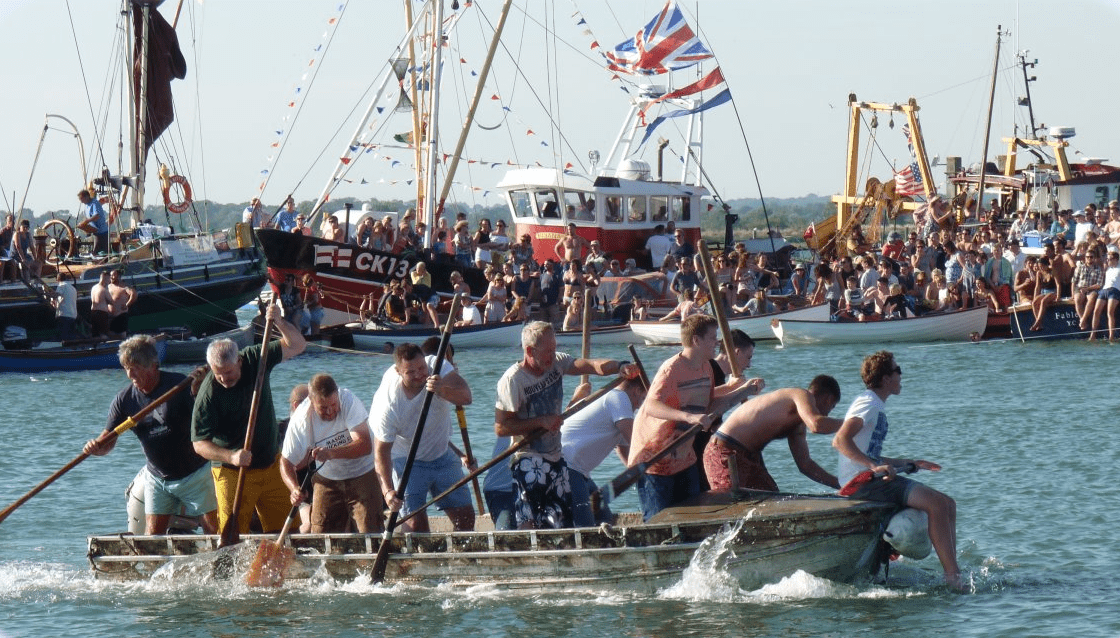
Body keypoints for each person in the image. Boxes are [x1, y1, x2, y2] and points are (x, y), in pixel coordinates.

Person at [833, 350, 963, 590]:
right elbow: (840, 440)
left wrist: (910, 463)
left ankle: (953, 569)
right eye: (898, 371)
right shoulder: (868, 403)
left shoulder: (873, 404)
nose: (901, 376)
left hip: (871, 477)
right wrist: (873, 467)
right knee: (936, 505)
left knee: (949, 504)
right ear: (885, 379)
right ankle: (953, 577)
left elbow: (870, 453)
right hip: (862, 482)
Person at [493, 321, 638, 529]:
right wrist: (541, 421)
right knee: (529, 519)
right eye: (547, 351)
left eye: (554, 349)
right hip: (528, 458)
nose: (552, 356)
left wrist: (620, 366)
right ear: (529, 351)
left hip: (556, 457)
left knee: (560, 521)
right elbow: (501, 427)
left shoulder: (557, 363)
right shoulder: (513, 380)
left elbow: (590, 365)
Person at [627, 314, 759, 521]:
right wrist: (688, 416)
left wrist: (743, 390)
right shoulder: (672, 369)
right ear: (696, 341)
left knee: (693, 519)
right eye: (712, 338)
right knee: (659, 522)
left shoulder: (705, 366)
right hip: (655, 459)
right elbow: (651, 405)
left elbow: (707, 401)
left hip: (683, 457)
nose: (717, 343)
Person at [191, 301, 307, 535]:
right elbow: (199, 444)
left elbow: (298, 345)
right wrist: (231, 456)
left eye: (229, 373)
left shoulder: (256, 358)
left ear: (239, 361)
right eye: (218, 374)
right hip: (231, 471)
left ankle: (283, 569)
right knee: (232, 532)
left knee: (287, 530)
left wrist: (280, 322)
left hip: (269, 463)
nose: (224, 379)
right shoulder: (209, 393)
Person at [83, 335, 217, 534]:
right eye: (126, 367)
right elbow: (107, 441)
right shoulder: (124, 400)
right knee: (152, 539)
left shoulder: (180, 386)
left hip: (195, 475)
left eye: (136, 367)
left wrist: (199, 389)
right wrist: (95, 447)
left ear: (154, 365)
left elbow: (210, 421)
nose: (130, 374)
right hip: (158, 479)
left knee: (215, 534)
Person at [372, 343, 476, 532]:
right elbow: (381, 452)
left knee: (466, 519)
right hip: (406, 460)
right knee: (417, 527)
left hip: (442, 455)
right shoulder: (388, 404)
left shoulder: (436, 366)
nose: (420, 374)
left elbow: (466, 397)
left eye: (421, 368)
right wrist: (387, 492)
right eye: (410, 372)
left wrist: (442, 388)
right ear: (398, 371)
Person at [280, 373, 382, 533]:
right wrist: (294, 488)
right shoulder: (300, 420)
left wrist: (331, 453)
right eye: (323, 407)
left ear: (338, 396)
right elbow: (285, 462)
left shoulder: (349, 401)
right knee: (319, 531)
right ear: (312, 402)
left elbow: (365, 445)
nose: (330, 412)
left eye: (333, 405)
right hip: (327, 478)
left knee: (369, 531)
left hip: (362, 472)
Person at [704, 376, 843, 493]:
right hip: (723, 451)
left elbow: (805, 465)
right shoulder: (800, 394)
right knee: (734, 507)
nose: (828, 414)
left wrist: (841, 484)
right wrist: (852, 424)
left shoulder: (798, 425)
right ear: (828, 400)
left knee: (772, 499)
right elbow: (817, 425)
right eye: (832, 407)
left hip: (749, 456)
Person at [560, 375, 646, 526]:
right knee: (585, 524)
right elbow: (634, 439)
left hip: (580, 471)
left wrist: (639, 474)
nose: (641, 405)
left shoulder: (617, 408)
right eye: (644, 398)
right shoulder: (618, 397)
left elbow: (626, 450)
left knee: (604, 517)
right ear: (637, 391)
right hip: (566, 466)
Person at [76, 190, 110, 255]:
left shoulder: (95, 203)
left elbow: (97, 216)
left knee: (98, 253)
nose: (81, 201)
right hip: (95, 232)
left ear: (87, 197)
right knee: (96, 252)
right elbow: (87, 217)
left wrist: (86, 221)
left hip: (102, 232)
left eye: (82, 199)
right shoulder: (86, 205)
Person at [107, 270, 137, 336]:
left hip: (121, 314)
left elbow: (134, 294)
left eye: (113, 275)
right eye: (110, 275)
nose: (111, 277)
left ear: (118, 277)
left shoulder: (124, 286)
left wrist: (127, 304)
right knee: (110, 334)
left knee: (121, 335)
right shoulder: (109, 286)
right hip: (111, 316)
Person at [52, 271, 79, 341]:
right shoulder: (73, 288)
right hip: (73, 315)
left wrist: (47, 294)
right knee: (71, 336)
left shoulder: (61, 285)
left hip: (64, 315)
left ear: (57, 280)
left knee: (64, 337)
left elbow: (56, 295)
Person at [90, 270, 114, 338]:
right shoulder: (104, 290)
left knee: (95, 334)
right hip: (101, 313)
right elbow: (111, 301)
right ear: (105, 278)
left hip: (93, 312)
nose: (109, 281)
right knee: (103, 334)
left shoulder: (94, 288)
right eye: (109, 279)